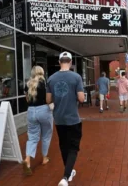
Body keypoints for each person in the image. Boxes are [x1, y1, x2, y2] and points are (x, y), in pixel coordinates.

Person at [46, 52, 85, 186]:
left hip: (59, 118)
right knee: (73, 147)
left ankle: (69, 172)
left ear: (59, 62)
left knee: (64, 146)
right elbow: (81, 98)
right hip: (73, 118)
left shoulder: (51, 78)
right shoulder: (76, 77)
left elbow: (48, 100)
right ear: (71, 62)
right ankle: (65, 177)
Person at [22, 66, 53, 175]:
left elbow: (27, 99)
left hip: (31, 111)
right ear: (42, 73)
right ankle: (44, 158)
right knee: (46, 135)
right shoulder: (45, 84)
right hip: (44, 110)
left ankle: (28, 159)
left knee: (32, 137)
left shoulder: (28, 84)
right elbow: (48, 99)